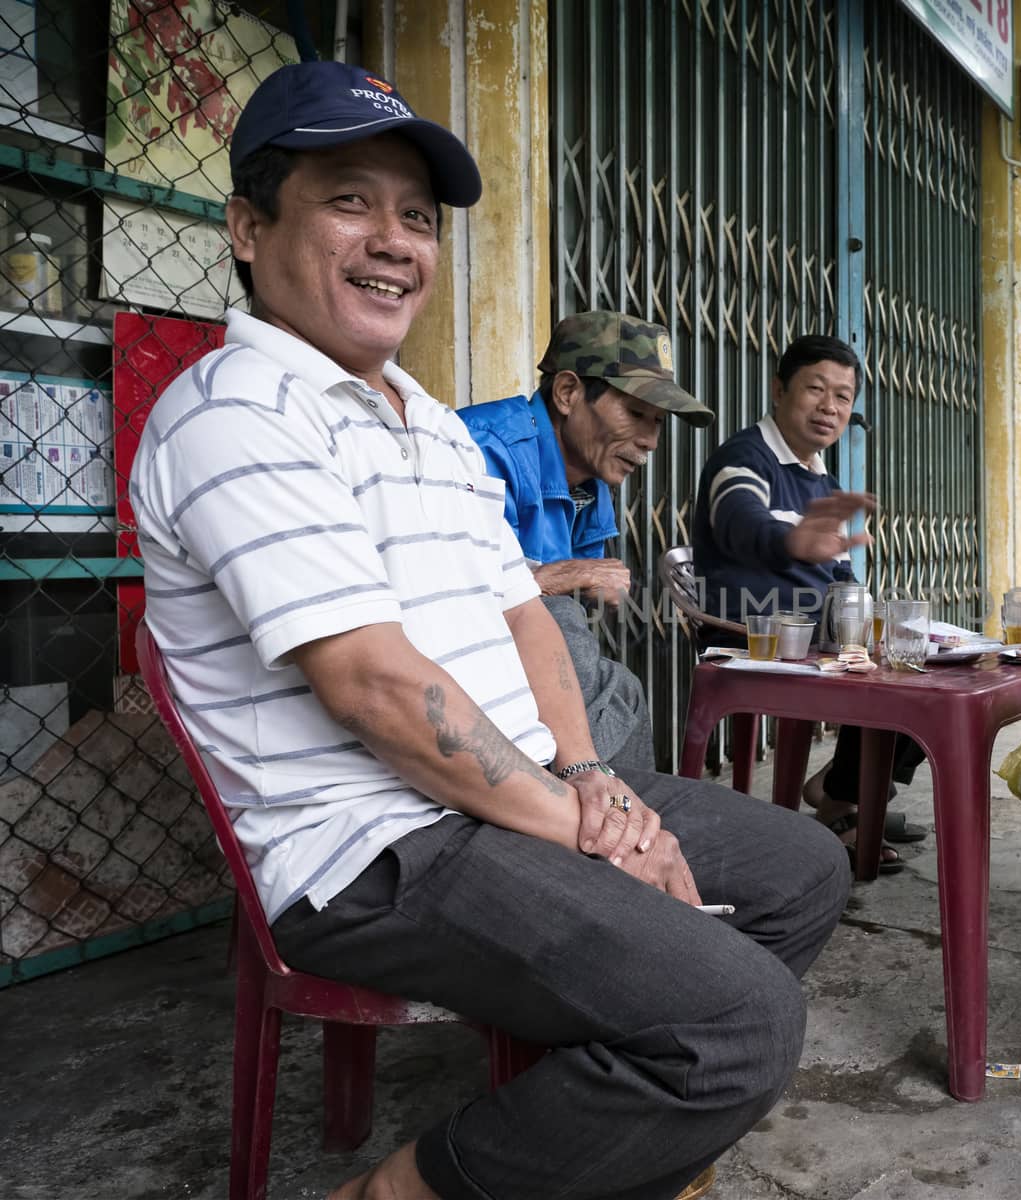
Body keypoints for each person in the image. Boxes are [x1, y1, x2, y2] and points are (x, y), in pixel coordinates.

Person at [131, 61, 849, 1200]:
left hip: (505, 799)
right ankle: (398, 1192)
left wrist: (589, 781)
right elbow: (371, 687)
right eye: (349, 201)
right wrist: (585, 827)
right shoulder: (234, 414)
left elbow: (524, 614)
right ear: (247, 227)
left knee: (802, 867)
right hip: (372, 849)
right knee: (740, 1020)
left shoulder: (426, 419)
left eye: (416, 216)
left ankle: (620, 1120)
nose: (394, 241)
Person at [691, 334, 927, 873]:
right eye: (816, 389)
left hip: (814, 631)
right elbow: (737, 519)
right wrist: (788, 542)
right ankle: (846, 800)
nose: (830, 407)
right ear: (779, 390)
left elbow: (835, 566)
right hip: (753, 632)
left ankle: (842, 790)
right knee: (895, 677)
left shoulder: (820, 474)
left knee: (919, 655)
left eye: (843, 397)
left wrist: (860, 600)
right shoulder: (745, 458)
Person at [459, 313, 715, 769]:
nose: (651, 441)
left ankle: (614, 812)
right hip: (456, 680)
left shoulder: (589, 485)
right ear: (568, 392)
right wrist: (554, 579)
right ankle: (614, 810)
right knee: (592, 661)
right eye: (636, 413)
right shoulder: (480, 450)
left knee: (617, 686)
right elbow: (442, 596)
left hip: (518, 680)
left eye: (658, 422)